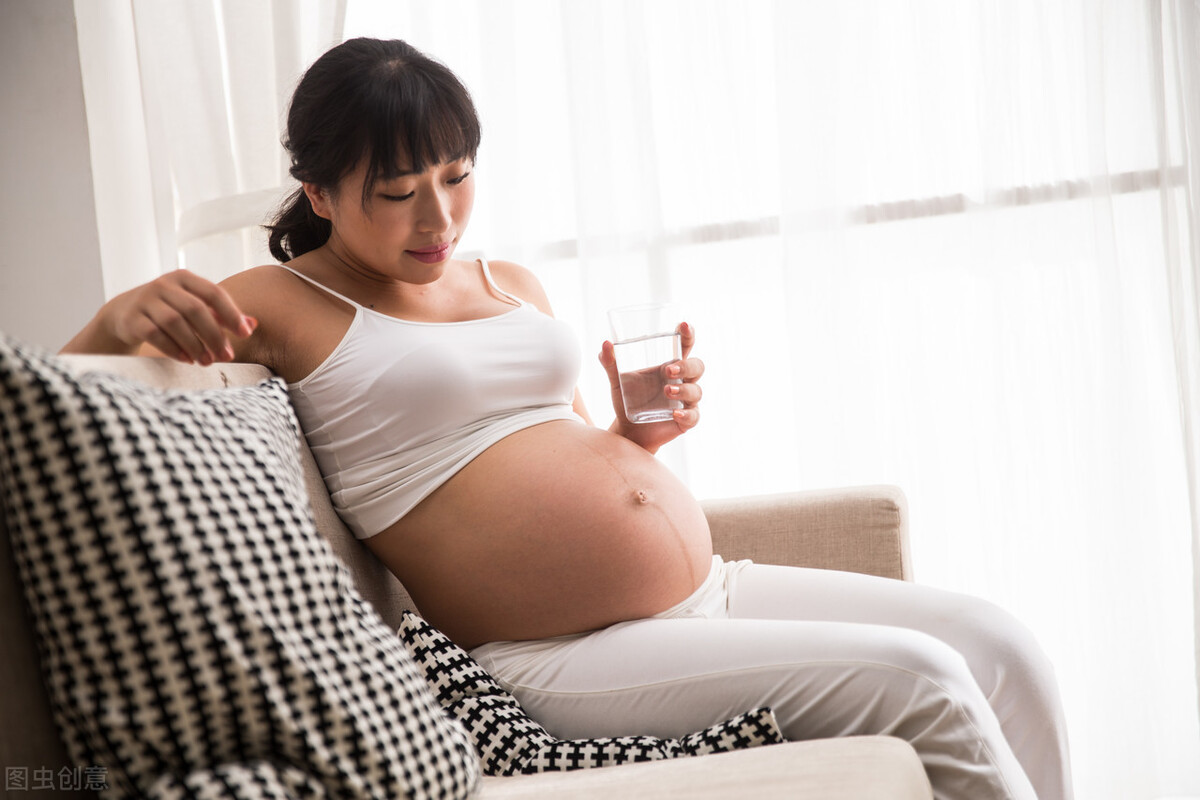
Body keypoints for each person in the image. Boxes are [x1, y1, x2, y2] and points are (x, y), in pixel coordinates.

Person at [63, 37, 1072, 800]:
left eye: (456, 177)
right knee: (930, 678)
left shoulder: (510, 278)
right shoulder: (284, 301)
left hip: (707, 592)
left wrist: (640, 441)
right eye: (399, 192)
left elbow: (559, 440)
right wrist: (118, 315)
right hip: (559, 654)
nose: (439, 219)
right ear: (320, 193)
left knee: (1003, 645)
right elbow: (61, 389)